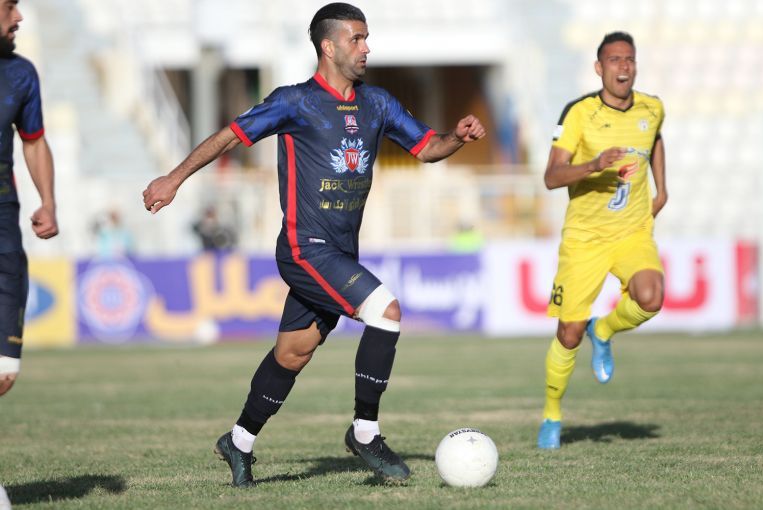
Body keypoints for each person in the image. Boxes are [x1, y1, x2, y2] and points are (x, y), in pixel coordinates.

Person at [142, 2, 485, 486]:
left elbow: (428, 147)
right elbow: (228, 137)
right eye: (356, 39)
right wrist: (174, 179)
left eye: (367, 38)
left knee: (293, 352)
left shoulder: (377, 103)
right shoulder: (294, 102)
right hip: (306, 248)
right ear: (328, 46)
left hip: (341, 252)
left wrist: (458, 137)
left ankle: (238, 441)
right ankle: (365, 432)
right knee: (386, 312)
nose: (366, 48)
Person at [537, 31, 667, 449]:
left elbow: (655, 139)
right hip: (586, 238)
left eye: (629, 59)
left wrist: (662, 189)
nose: (623, 66)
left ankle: (605, 330)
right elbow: (551, 177)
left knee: (651, 297)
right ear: (599, 68)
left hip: (632, 231)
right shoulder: (579, 113)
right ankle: (552, 416)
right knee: (569, 333)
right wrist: (594, 165)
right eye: (614, 60)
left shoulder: (652, 108)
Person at [0, 1, 59, 506]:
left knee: (3, 371)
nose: (18, 16)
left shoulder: (20, 74)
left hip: (3, 233)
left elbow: (34, 141)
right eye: (8, 7)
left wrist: (48, 201)